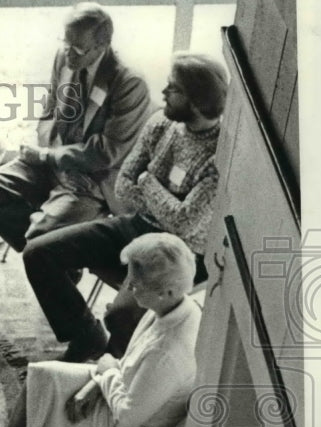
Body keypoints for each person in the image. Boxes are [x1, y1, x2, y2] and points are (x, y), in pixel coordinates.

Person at [21, 52, 228, 361]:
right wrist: (157, 197)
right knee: (38, 253)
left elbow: (183, 224)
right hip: (136, 224)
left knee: (121, 317)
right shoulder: (161, 121)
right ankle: (86, 337)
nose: (163, 93)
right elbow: (123, 184)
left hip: (176, 251)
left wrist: (147, 182)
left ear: (196, 98)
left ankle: (114, 367)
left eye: (173, 89)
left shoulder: (221, 153)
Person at [5, 233, 201, 427]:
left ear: (167, 291)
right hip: (123, 400)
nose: (129, 287)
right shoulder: (176, 309)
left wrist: (105, 370)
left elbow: (129, 413)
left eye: (136, 283)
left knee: (41, 397)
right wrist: (95, 382)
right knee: (40, 378)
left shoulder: (168, 352)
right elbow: (131, 367)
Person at [0, 2, 151, 251]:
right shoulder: (64, 57)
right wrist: (46, 147)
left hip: (91, 180)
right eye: (65, 43)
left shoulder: (129, 83)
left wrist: (46, 156)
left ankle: (49, 248)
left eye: (77, 48)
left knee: (39, 238)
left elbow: (106, 153)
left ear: (102, 47)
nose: (69, 53)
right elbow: (51, 105)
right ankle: (57, 254)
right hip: (50, 162)